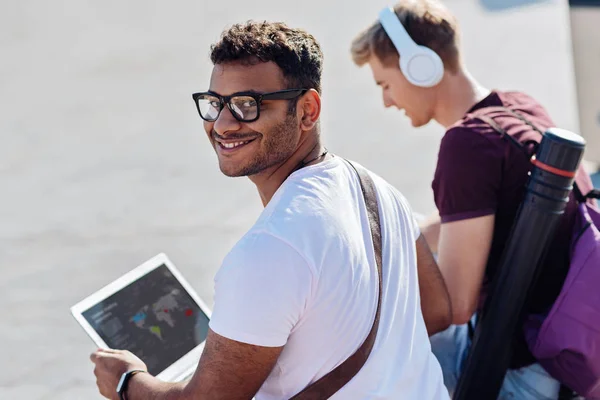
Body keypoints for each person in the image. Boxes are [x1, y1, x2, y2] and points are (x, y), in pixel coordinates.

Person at [90, 20, 452, 400]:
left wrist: (126, 381)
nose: (223, 125)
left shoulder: (270, 248)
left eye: (248, 105)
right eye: (215, 104)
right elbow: (437, 310)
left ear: (307, 111)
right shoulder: (379, 191)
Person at [350, 1, 596, 399]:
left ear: (421, 67)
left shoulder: (465, 145)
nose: (387, 101)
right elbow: (466, 221)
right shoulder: (518, 108)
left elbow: (455, 305)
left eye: (385, 84)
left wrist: (362, 330)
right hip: (557, 345)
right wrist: (387, 244)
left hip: (519, 372)